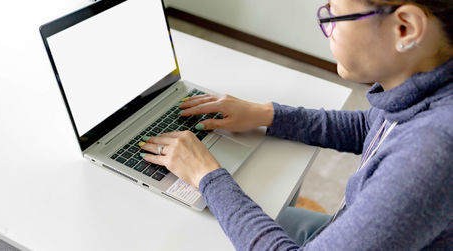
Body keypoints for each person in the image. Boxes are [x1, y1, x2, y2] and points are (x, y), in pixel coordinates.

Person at [139, 0, 453, 249]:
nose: (327, 26)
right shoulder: (426, 87)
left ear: (404, 28)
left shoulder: (430, 153)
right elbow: (370, 126)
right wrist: (268, 115)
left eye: (334, 16)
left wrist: (206, 175)